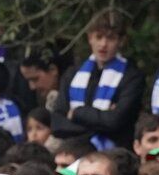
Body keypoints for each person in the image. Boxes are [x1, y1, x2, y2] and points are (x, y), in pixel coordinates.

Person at [58, 10, 144, 152]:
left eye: (110, 38)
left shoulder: (132, 77)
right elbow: (57, 123)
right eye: (98, 37)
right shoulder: (72, 73)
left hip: (114, 152)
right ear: (90, 38)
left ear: (121, 41)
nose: (103, 44)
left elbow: (115, 121)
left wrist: (77, 113)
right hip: (74, 150)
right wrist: (101, 122)